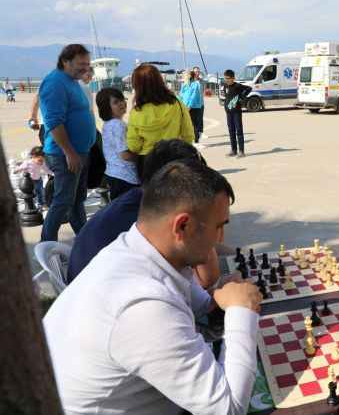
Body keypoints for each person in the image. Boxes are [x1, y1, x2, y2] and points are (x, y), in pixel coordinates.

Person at [45, 158, 262, 415]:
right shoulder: (141, 305)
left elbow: (203, 309)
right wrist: (242, 310)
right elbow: (229, 409)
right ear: (182, 225)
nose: (221, 239)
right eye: (218, 227)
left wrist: (222, 301)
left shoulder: (135, 248)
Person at [68, 139, 207, 284]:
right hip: (101, 297)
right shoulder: (154, 219)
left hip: (86, 286)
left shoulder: (138, 199)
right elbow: (205, 279)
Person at [39, 44, 97, 242]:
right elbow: (54, 122)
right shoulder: (55, 83)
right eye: (81, 64)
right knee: (63, 201)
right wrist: (69, 152)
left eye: (87, 64)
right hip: (64, 154)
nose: (86, 68)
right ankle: (46, 244)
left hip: (80, 151)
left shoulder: (72, 81)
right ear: (66, 61)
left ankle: (84, 238)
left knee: (77, 200)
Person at [127, 63, 195, 177]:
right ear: (159, 80)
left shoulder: (136, 112)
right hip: (174, 160)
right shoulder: (177, 104)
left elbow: (134, 146)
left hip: (148, 164)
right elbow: (188, 135)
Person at [96, 87, 139, 200]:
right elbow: (124, 155)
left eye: (122, 99)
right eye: (115, 102)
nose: (121, 104)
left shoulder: (108, 124)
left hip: (114, 174)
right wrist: (142, 157)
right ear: (106, 107)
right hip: (125, 177)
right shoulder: (117, 125)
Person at [222, 69, 251, 158]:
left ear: (233, 78)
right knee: (231, 131)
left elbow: (249, 88)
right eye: (225, 78)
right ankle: (233, 150)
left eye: (228, 78)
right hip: (228, 112)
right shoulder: (225, 86)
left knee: (239, 131)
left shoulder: (237, 86)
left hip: (236, 112)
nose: (226, 80)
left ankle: (241, 151)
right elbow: (227, 96)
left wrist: (241, 97)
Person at [179, 69, 205, 143]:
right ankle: (188, 139)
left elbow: (193, 96)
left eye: (184, 76)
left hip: (194, 107)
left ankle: (196, 140)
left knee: (194, 124)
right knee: (187, 124)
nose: (183, 77)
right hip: (185, 107)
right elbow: (181, 95)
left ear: (189, 76)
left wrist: (189, 106)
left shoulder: (196, 84)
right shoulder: (184, 85)